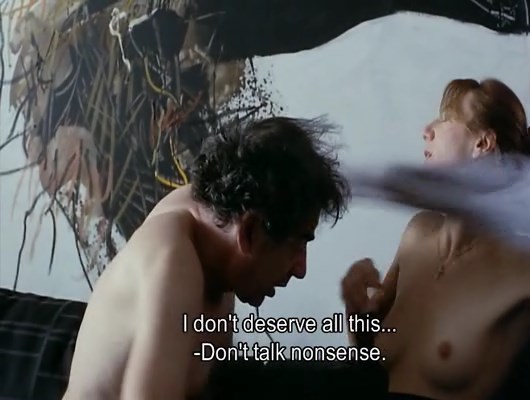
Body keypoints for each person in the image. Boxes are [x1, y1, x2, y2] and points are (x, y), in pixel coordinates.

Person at [63, 116, 350, 400]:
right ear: (249, 232)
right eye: (298, 244)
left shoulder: (218, 223)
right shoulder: (170, 264)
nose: (301, 268)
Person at [341, 78, 530, 400]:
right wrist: (357, 314)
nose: (426, 130)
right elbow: (370, 361)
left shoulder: (528, 266)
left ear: (482, 143)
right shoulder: (417, 233)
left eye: (445, 117)